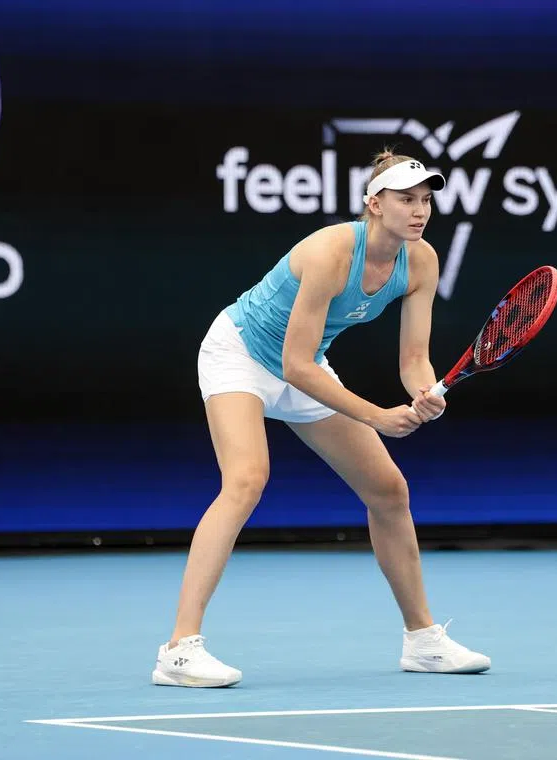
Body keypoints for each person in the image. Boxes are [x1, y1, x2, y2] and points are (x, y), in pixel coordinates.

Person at [151, 150, 491, 688]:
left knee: (388, 490)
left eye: (426, 199)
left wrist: (425, 392)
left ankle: (423, 641)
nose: (419, 210)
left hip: (306, 365)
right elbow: (296, 365)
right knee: (245, 480)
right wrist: (377, 415)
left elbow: (412, 359)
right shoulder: (331, 250)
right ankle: (178, 651)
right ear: (374, 204)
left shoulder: (420, 260)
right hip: (241, 353)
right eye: (406, 199)